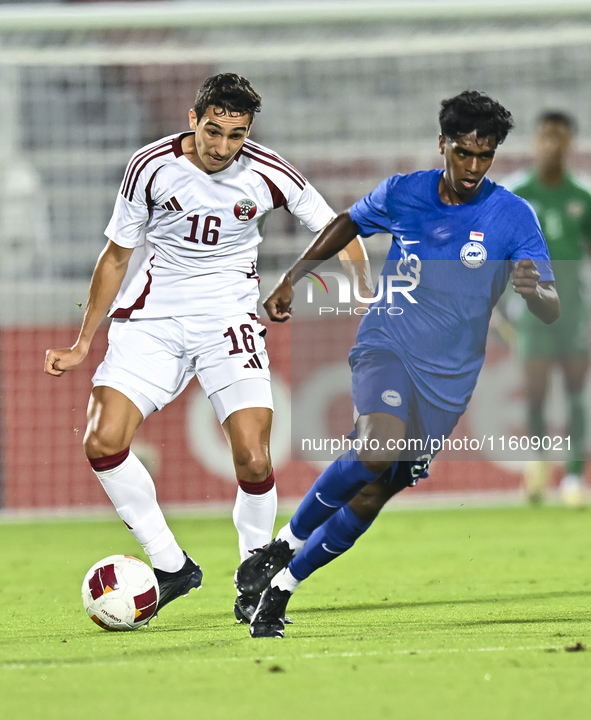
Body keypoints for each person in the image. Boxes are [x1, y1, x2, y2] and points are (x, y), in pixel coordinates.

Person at [44, 73, 370, 623]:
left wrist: (363, 291)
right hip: (151, 318)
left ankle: (254, 577)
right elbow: (117, 256)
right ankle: (172, 566)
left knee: (254, 455)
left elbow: (338, 227)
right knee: (102, 442)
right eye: (213, 131)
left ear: (248, 132)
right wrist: (83, 343)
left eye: (236, 135)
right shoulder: (149, 166)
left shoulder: (268, 172)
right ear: (193, 119)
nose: (222, 148)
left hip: (228, 320)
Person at [235, 90, 560, 638]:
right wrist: (293, 277)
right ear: (443, 145)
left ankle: (283, 584)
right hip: (387, 343)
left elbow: (550, 307)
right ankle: (280, 546)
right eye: (463, 153)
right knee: (377, 446)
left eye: (485, 156)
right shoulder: (404, 193)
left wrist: (534, 292)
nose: (473, 167)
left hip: (448, 382)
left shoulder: (512, 216)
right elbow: (348, 222)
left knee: (373, 490)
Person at [508, 112, 591, 507]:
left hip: (574, 309)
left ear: (570, 143)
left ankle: (573, 478)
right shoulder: (517, 194)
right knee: (537, 394)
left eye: (559, 137)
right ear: (535, 141)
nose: (551, 145)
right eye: (545, 136)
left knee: (576, 392)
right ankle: (539, 463)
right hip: (533, 311)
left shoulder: (583, 197)